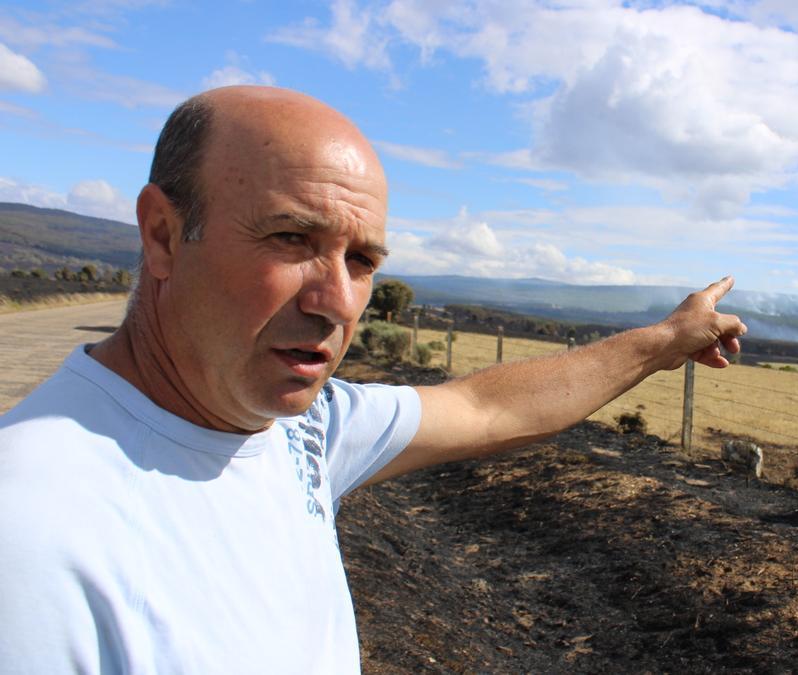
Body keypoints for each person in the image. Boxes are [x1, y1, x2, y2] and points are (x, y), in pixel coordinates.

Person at [0, 86, 747, 673]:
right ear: (163, 235)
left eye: (362, 261)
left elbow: (485, 407)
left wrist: (666, 339)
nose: (337, 301)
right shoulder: (33, 530)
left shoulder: (296, 430)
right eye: (292, 238)